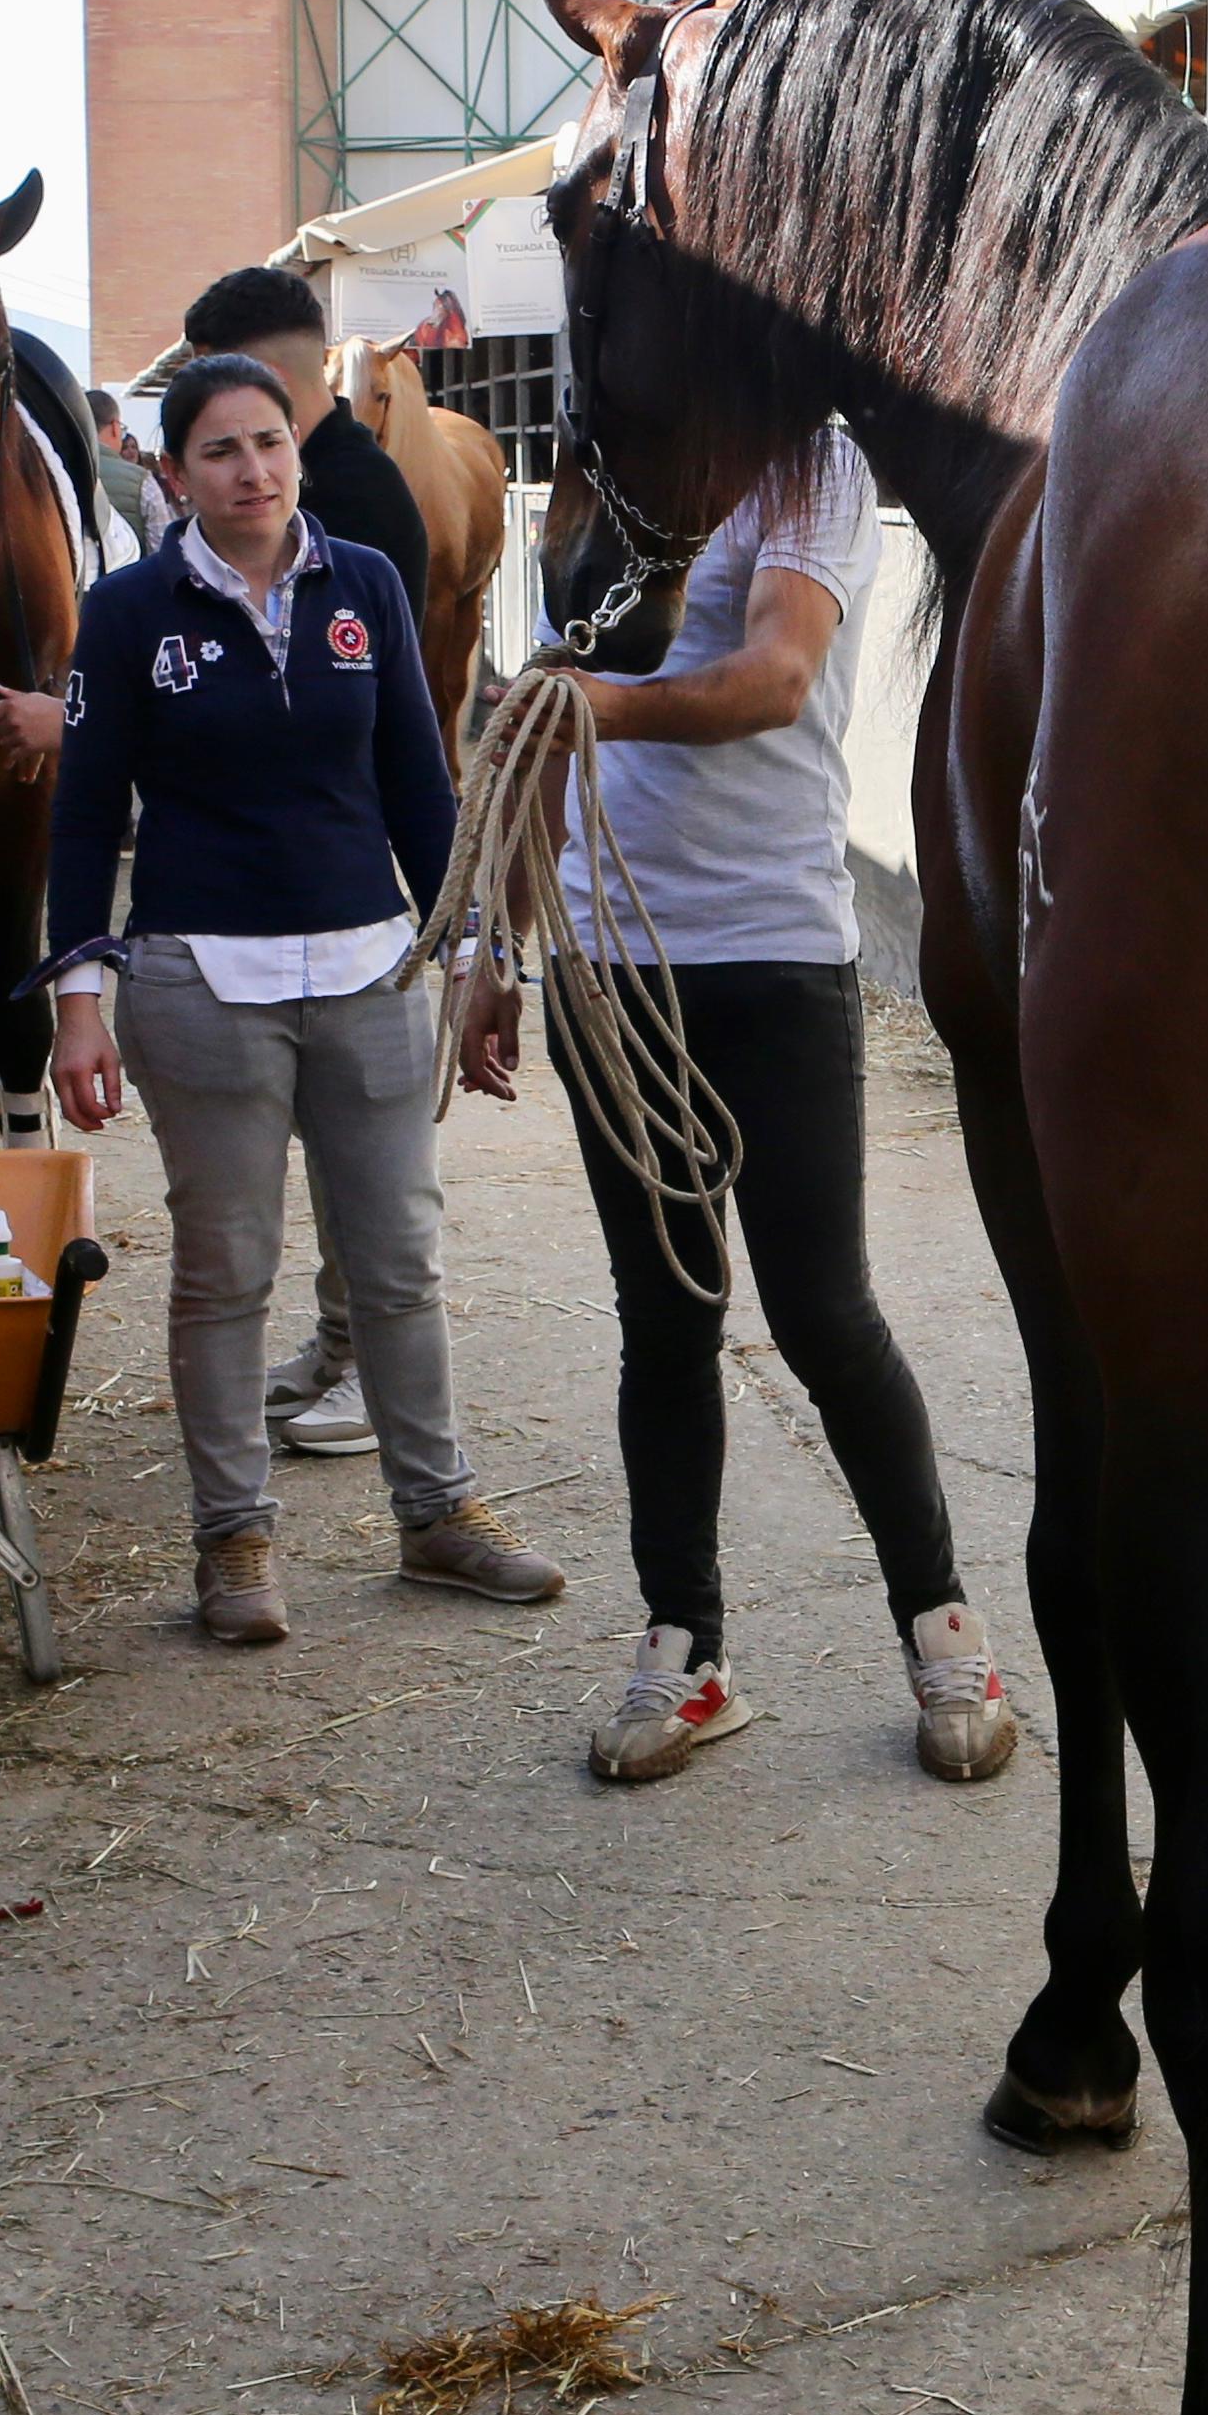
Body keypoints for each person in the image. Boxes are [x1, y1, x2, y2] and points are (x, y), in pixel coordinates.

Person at [454, 424, 1012, 1786]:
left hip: (771, 951)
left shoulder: (809, 469)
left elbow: (775, 676)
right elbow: (547, 708)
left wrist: (599, 707)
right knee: (663, 1319)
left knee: (824, 1314)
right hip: (612, 968)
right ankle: (685, 1646)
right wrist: (498, 941)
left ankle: (943, 1628)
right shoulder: (599, 468)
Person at [45, 350, 563, 1641]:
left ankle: (435, 1513)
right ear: (173, 474)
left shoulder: (366, 583)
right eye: (219, 450)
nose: (252, 470)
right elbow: (85, 814)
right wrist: (79, 998)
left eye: (269, 442)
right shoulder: (127, 611)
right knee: (226, 1271)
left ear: (297, 449)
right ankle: (233, 1542)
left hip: (369, 970)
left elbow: (418, 788)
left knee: (398, 1259)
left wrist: (471, 952)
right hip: (201, 982)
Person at [177, 264, 427, 1465]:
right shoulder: (317, 484)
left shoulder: (356, 507)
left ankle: (360, 1362)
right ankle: (338, 1348)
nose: (248, 467)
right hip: (296, 887)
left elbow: (381, 731)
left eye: (256, 432)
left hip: (345, 884)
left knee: (365, 1181)